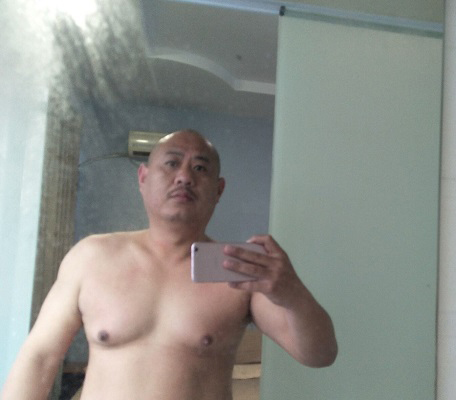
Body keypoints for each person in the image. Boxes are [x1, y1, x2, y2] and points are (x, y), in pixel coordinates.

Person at [1, 129, 337, 400]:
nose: (184, 177)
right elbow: (40, 356)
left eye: (200, 168)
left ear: (218, 190)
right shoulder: (90, 257)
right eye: (172, 163)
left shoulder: (238, 270)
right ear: (143, 178)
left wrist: (292, 292)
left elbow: (319, 354)